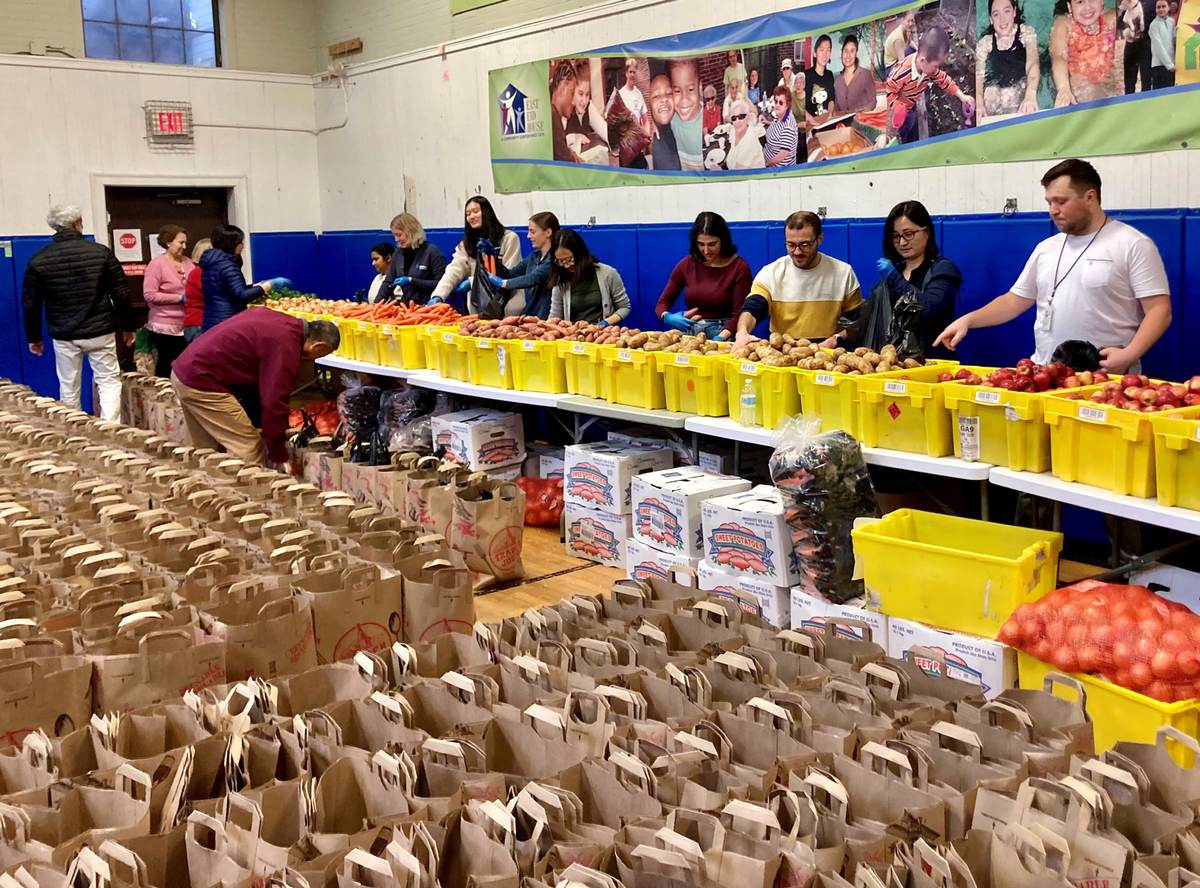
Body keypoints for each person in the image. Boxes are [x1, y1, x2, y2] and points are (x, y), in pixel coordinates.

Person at [934, 159, 1171, 374]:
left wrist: (1130, 354)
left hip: (1105, 377)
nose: (1053, 211)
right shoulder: (1046, 248)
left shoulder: (1132, 244)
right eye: (1049, 202)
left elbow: (1159, 310)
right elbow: (1014, 301)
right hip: (1045, 373)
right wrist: (967, 320)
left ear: (1090, 197)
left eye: (1061, 201)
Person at [172, 311, 339, 466]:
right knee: (247, 444)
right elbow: (273, 401)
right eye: (322, 355)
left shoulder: (284, 324)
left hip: (185, 372)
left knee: (206, 447)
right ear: (318, 346)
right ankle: (249, 493)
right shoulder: (286, 345)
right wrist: (279, 454)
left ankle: (208, 490)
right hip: (202, 382)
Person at [21, 203, 135, 421]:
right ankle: (111, 430)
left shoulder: (39, 259)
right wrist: (128, 326)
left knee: (69, 385)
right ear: (76, 224)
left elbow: (30, 303)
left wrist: (33, 337)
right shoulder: (101, 253)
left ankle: (73, 430)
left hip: (64, 334)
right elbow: (121, 293)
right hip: (100, 330)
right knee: (109, 381)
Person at [839, 201, 961, 359]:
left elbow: (930, 309)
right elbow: (870, 318)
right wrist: (837, 338)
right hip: (892, 364)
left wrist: (895, 278)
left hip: (931, 363)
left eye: (908, 234)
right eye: (896, 236)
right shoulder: (895, 270)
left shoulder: (942, 269)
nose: (902, 242)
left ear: (927, 232)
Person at [734, 210, 862, 345]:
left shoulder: (843, 273)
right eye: (791, 245)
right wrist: (742, 331)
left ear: (819, 239)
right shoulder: (771, 273)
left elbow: (856, 321)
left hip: (828, 355)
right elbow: (754, 306)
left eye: (804, 245)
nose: (797, 252)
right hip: (783, 353)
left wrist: (835, 340)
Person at [655, 212, 752, 341]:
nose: (706, 250)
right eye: (701, 244)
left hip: (724, 332)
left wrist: (722, 337)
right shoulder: (687, 264)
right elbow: (663, 302)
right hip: (691, 331)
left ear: (723, 241)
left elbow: (740, 314)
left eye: (712, 244)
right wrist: (667, 316)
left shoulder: (739, 268)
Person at [431, 196, 523, 316]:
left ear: (487, 212)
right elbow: (454, 270)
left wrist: (472, 281)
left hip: (508, 304)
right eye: (468, 214)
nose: (471, 217)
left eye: (476, 211)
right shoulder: (465, 245)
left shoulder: (509, 238)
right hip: (479, 305)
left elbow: (510, 274)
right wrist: (438, 295)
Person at [887, 27, 977, 142]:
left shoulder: (929, 69)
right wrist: (897, 106)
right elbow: (890, 91)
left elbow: (944, 80)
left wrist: (961, 96)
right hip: (902, 108)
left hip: (912, 101)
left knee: (913, 120)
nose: (937, 69)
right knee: (906, 127)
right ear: (923, 61)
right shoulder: (900, 74)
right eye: (936, 66)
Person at [199, 224, 284, 332]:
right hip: (227, 322)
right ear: (231, 244)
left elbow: (226, 290)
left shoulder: (212, 263)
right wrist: (269, 285)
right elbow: (242, 295)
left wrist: (255, 286)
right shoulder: (227, 266)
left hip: (212, 320)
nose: (243, 246)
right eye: (240, 243)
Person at [547, 229, 631, 325]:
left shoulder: (607, 273)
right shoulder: (560, 281)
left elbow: (625, 307)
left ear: (580, 253)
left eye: (570, 259)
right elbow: (555, 316)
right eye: (560, 261)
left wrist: (605, 323)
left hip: (603, 334)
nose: (566, 265)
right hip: (573, 336)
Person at [976, 0, 1042, 121]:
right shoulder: (985, 43)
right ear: (991, 19)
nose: (1002, 19)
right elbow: (978, 76)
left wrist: (1030, 94)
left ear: (1014, 12)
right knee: (991, 93)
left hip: (1020, 93)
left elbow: (1033, 63)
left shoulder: (1026, 33)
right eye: (996, 14)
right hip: (996, 97)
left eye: (1007, 11)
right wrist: (979, 102)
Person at [142, 224, 194, 378]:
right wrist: (178, 298)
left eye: (185, 242)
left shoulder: (187, 262)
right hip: (164, 325)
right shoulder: (156, 265)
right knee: (167, 364)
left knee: (185, 365)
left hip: (187, 324)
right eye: (181, 242)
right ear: (168, 242)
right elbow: (149, 295)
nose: (184, 246)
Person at [487, 212, 560, 320]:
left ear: (548, 232)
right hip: (530, 313)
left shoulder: (554, 259)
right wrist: (494, 258)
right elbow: (510, 274)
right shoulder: (534, 257)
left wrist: (503, 283)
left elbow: (533, 278)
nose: (528, 236)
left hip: (546, 318)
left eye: (532, 231)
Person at [1050, 0, 1122, 106]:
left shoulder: (1112, 18)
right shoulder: (1064, 25)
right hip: (1082, 89)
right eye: (1080, 2)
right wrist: (1063, 88)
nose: (1087, 7)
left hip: (1111, 81)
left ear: (1102, 1)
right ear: (1070, 7)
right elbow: (1059, 56)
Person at [387, 212, 447, 304]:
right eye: (394, 235)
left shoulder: (432, 252)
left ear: (411, 231)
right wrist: (375, 305)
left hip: (429, 308)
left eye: (399, 235)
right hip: (407, 308)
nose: (396, 239)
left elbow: (441, 284)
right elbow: (388, 282)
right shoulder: (398, 254)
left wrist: (412, 281)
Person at [566, 61, 609, 156]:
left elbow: (605, 130)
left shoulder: (589, 107)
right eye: (580, 94)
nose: (584, 101)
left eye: (587, 94)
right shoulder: (564, 110)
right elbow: (556, 142)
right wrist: (574, 137)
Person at [669, 58, 704, 170]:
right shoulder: (672, 121)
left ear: (700, 87)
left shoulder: (707, 121)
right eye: (677, 91)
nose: (684, 99)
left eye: (690, 89)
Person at [835, 34, 878, 114]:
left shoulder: (865, 75)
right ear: (842, 53)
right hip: (843, 125)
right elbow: (836, 109)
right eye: (845, 51)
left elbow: (873, 101)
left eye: (852, 51)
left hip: (862, 122)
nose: (848, 55)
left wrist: (863, 111)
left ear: (856, 54)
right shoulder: (837, 81)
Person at [648, 73, 682, 170]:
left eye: (669, 94)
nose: (664, 99)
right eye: (656, 96)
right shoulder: (657, 141)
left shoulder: (677, 126)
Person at [550, 59, 582, 163]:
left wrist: (569, 152)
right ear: (563, 87)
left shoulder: (552, 114)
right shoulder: (553, 118)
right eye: (572, 93)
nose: (573, 102)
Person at [1119, 0, 1153, 92]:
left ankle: (1146, 104)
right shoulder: (1126, 2)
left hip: (1146, 45)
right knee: (1129, 83)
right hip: (1130, 46)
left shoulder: (1153, 2)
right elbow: (1120, 22)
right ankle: (1129, 104)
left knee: (1146, 80)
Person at [724, 97, 766, 170]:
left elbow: (737, 175)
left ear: (747, 117)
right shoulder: (734, 131)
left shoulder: (750, 141)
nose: (737, 121)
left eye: (741, 116)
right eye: (734, 118)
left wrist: (718, 172)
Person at [805, 34, 838, 125]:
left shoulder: (829, 75)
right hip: (810, 125)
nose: (825, 54)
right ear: (815, 53)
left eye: (828, 50)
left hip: (826, 122)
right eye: (822, 50)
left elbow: (831, 99)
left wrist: (830, 113)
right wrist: (812, 120)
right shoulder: (806, 76)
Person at [765, 85, 801, 166]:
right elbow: (778, 129)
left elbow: (780, 157)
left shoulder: (789, 126)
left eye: (781, 103)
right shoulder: (780, 115)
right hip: (767, 157)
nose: (777, 105)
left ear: (787, 105)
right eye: (776, 101)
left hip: (777, 169)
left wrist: (764, 164)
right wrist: (767, 122)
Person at [183, 238, 210, 343]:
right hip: (199, 322)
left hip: (197, 322)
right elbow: (211, 294)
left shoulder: (197, 272)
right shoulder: (200, 273)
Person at [1149, 0, 1177, 87]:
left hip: (1172, 65)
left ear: (1168, 8)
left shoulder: (1171, 22)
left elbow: (1174, 41)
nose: (1161, 9)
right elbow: (1158, 47)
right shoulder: (1153, 25)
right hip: (1159, 66)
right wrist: (1169, 65)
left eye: (1163, 6)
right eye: (1158, 7)